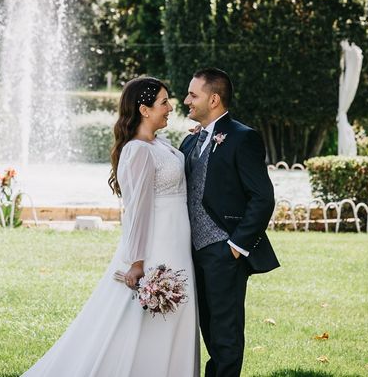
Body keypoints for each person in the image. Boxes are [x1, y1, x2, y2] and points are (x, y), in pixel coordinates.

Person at [23, 76, 199, 376]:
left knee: (176, 316)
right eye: (163, 102)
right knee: (145, 319)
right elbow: (138, 211)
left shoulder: (159, 144)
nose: (171, 107)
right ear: (144, 110)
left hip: (177, 243)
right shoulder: (138, 151)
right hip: (157, 247)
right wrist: (137, 261)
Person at [180, 67, 279, 377]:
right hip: (191, 252)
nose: (186, 101)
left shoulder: (242, 137)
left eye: (193, 95)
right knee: (207, 326)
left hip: (224, 251)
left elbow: (262, 198)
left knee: (226, 333)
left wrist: (235, 246)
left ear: (214, 99)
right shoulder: (190, 142)